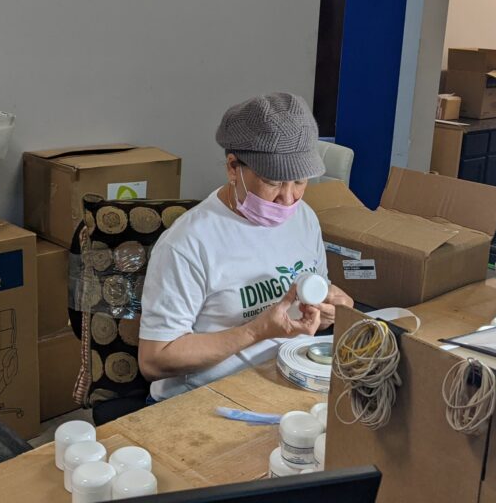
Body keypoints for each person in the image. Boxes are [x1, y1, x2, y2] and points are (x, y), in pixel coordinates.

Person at [139, 92, 354, 401]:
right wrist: (256, 331)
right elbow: (154, 359)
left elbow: (308, 313)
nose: (288, 198)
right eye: (273, 181)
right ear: (233, 168)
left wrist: (328, 314)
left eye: (300, 181)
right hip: (206, 397)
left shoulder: (305, 218)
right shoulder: (187, 243)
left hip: (288, 379)